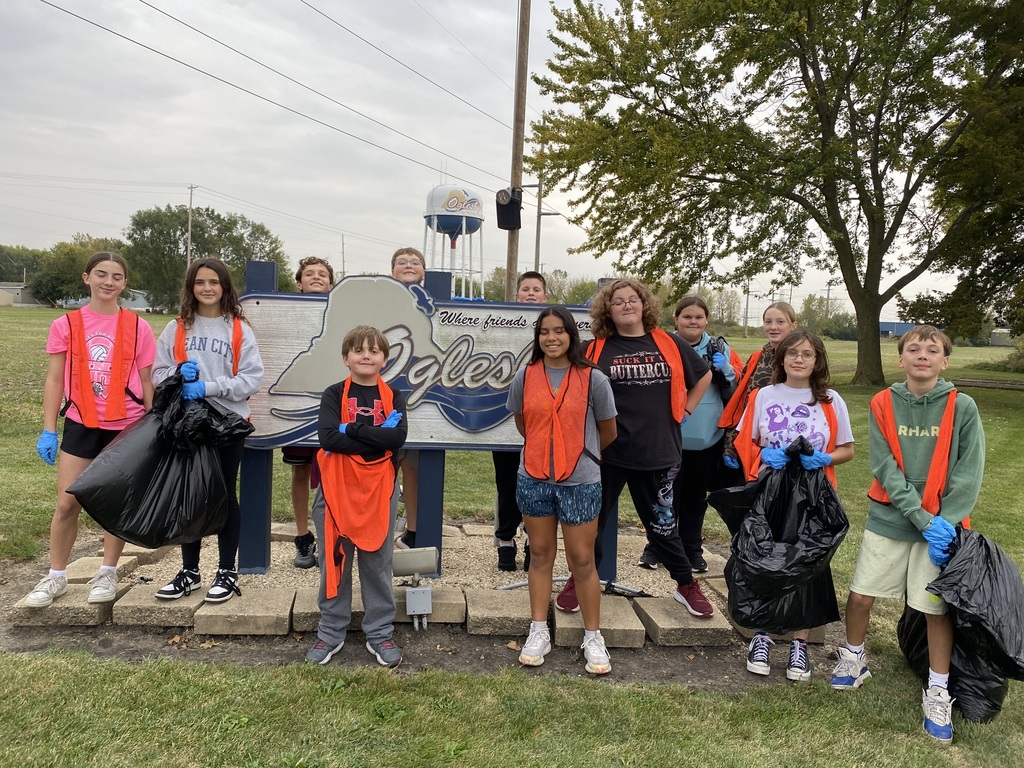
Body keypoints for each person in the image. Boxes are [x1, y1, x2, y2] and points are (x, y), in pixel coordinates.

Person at [830, 325, 984, 744]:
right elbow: (884, 467)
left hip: (942, 528)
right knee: (861, 595)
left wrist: (944, 522)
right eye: (912, 349)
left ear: (945, 361)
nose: (922, 355)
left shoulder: (962, 406)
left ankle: (937, 688)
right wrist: (920, 517)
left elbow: (969, 474)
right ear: (900, 359)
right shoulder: (883, 402)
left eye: (932, 350)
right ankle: (854, 658)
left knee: (934, 609)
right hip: (892, 519)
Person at [556, 279, 715, 618]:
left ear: (644, 305)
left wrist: (686, 409)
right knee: (591, 523)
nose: (627, 305)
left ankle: (686, 585)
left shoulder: (669, 343)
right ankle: (579, 579)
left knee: (662, 524)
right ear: (607, 311)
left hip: (658, 451)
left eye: (633, 300)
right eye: (618, 302)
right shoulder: (594, 349)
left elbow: (703, 376)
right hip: (604, 454)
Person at [27, 252, 157, 608]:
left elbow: (148, 380)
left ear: (124, 284)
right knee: (67, 503)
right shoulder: (65, 325)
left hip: (126, 424)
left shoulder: (138, 327)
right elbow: (55, 379)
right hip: (82, 422)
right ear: (87, 278)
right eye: (101, 274)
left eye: (116, 276)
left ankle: (108, 571)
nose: (108, 282)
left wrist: (152, 425)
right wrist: (48, 429)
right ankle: (56, 577)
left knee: (114, 503)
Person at [733, 330, 854, 682]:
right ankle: (761, 636)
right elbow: (745, 442)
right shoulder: (762, 396)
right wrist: (762, 455)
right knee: (764, 561)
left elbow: (847, 448)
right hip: (770, 492)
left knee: (805, 564)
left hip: (814, 496)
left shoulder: (831, 400)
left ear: (818, 361)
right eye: (792, 354)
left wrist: (824, 458)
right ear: (781, 358)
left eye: (807, 354)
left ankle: (799, 644)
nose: (799, 360)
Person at [506, 306, 618, 673]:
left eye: (559, 331)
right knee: (539, 554)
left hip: (581, 480)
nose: (551, 338)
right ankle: (539, 630)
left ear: (572, 334)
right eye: (544, 332)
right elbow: (524, 424)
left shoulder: (593, 379)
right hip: (534, 477)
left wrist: (578, 451)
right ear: (537, 338)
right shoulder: (526, 376)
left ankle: (592, 636)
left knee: (582, 560)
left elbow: (608, 431)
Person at [153, 258, 265, 604]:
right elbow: (157, 374)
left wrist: (209, 387)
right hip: (189, 425)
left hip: (228, 424)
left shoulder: (238, 329)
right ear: (191, 287)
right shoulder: (177, 328)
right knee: (191, 495)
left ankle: (227, 571)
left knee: (223, 495)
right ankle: (190, 571)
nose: (206, 288)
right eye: (200, 282)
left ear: (224, 287)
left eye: (214, 282)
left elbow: (252, 378)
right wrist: (175, 375)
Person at [305, 325, 408, 668]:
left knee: (377, 561)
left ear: (384, 358)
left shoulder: (394, 396)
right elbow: (328, 439)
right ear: (345, 358)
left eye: (374, 350)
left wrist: (352, 429)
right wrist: (376, 435)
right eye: (359, 350)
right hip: (336, 490)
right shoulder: (334, 394)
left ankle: (379, 632)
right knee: (335, 559)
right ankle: (331, 631)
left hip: (379, 490)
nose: (366, 355)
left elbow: (397, 440)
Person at [638, 296, 737, 572]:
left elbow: (733, 394)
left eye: (698, 317)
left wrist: (726, 370)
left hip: (707, 439)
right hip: (670, 437)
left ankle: (692, 549)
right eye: (687, 317)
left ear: (706, 320)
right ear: (676, 320)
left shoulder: (719, 347)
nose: (693, 322)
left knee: (695, 498)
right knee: (664, 497)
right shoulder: (662, 345)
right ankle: (656, 547)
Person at [282, 257, 335, 568]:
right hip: (296, 404)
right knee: (300, 470)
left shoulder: (339, 314)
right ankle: (303, 537)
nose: (316, 277)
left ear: (330, 283)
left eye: (323, 274)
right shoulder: (285, 312)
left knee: (334, 472)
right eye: (309, 274)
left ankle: (332, 536)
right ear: (299, 282)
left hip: (330, 407)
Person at [494, 270, 548, 571]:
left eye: (536, 289)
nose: (530, 293)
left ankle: (532, 541)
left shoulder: (554, 330)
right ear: (516, 295)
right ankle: (505, 541)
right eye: (525, 289)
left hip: (541, 425)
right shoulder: (502, 326)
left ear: (544, 296)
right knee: (506, 485)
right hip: (501, 422)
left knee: (537, 485)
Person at [721, 301, 799, 479]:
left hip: (787, 444)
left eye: (780, 322)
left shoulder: (802, 361)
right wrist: (731, 444)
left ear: (793, 325)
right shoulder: (758, 358)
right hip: (754, 443)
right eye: (768, 322)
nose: (773, 327)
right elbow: (743, 404)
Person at [389, 246, 425, 550]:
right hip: (382, 395)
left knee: (413, 466)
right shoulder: (381, 301)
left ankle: (413, 529)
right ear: (392, 271)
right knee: (383, 467)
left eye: (415, 262)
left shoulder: (430, 304)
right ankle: (380, 527)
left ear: (424, 271)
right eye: (402, 262)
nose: (408, 265)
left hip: (420, 395)